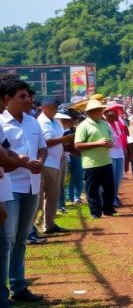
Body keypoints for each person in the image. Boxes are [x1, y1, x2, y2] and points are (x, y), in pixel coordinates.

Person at [0, 78, 47, 303]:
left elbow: (42, 148)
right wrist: (22, 162)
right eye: (23, 96)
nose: (29, 100)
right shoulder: (1, 122)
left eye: (29, 96)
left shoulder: (32, 122)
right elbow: (6, 156)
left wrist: (38, 161)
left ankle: (18, 286)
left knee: (21, 238)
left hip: (31, 184)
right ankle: (3, 292)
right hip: (9, 185)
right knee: (7, 238)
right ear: (8, 100)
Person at [74, 97, 116, 220]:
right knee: (92, 189)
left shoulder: (104, 124)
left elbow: (110, 139)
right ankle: (95, 212)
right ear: (89, 112)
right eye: (96, 110)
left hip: (106, 161)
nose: (99, 112)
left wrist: (108, 143)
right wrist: (98, 143)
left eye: (100, 110)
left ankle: (108, 209)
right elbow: (78, 145)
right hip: (91, 163)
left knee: (109, 188)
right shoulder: (83, 126)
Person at [35, 98, 73, 235]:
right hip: (45, 162)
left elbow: (60, 140)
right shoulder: (39, 123)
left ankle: (49, 224)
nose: (55, 110)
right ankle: (35, 226)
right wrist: (63, 140)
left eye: (56, 108)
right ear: (44, 108)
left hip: (57, 161)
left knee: (53, 194)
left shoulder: (57, 123)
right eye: (52, 108)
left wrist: (66, 143)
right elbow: (43, 143)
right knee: (40, 197)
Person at [103, 105, 128, 206]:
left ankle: (115, 197)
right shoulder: (104, 125)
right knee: (111, 178)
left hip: (120, 153)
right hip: (110, 154)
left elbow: (123, 136)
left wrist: (125, 150)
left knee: (118, 178)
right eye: (113, 115)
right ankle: (110, 199)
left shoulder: (118, 124)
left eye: (116, 115)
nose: (116, 116)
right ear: (107, 116)